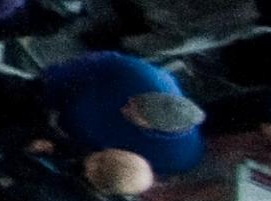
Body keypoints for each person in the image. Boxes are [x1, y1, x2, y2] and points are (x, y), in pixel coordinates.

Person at [36, 52, 207, 177]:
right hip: (60, 99)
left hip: (67, 142)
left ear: (150, 127)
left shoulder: (176, 157)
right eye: (133, 101)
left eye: (133, 112)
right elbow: (101, 62)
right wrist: (48, 82)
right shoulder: (144, 76)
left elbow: (129, 173)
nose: (125, 107)